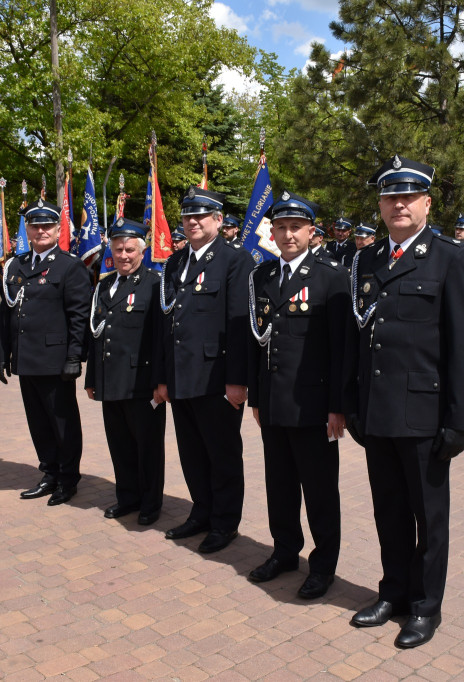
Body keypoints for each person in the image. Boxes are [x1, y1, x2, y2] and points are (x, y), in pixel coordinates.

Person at [345, 155, 464, 649]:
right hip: (377, 411)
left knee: (430, 517)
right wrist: (352, 402)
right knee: (389, 512)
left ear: (426, 202)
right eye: (389, 197)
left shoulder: (451, 258)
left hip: (425, 415)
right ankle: (393, 593)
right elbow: (355, 339)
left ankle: (426, 608)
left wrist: (459, 420)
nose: (398, 204)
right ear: (380, 205)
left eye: (408, 196)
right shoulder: (367, 259)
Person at [246, 190, 349, 600]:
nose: (288, 235)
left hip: (313, 406)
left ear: (311, 231)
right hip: (272, 401)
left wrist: (338, 406)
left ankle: (323, 565)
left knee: (320, 491)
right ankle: (285, 551)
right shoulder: (262, 277)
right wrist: (256, 395)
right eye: (281, 227)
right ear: (272, 232)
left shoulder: (331, 277)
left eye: (296, 227)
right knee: (280, 485)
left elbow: (341, 348)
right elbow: (256, 338)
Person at [155, 186, 254, 553]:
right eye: (187, 216)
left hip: (216, 377)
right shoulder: (176, 262)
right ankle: (202, 511)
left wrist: (237, 379)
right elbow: (168, 324)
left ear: (217, 220)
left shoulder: (235, 260)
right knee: (192, 452)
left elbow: (239, 322)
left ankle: (225, 523)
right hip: (181, 374)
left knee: (222, 452)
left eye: (201, 216)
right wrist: (163, 376)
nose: (193, 221)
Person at [0, 199, 91, 506]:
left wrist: (75, 356)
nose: (41, 231)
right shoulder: (16, 265)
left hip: (56, 361)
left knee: (62, 423)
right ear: (27, 229)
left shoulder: (70, 266)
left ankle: (68, 477)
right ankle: (49, 472)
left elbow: (79, 316)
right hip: (25, 358)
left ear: (58, 228)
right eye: (35, 226)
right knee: (38, 422)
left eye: (47, 225)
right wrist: (2, 354)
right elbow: (6, 314)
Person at [85, 218, 166, 524]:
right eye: (118, 249)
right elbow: (96, 336)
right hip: (110, 380)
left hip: (141, 382)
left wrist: (161, 381)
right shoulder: (105, 284)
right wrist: (92, 377)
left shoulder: (155, 285)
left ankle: (150, 503)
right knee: (119, 445)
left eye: (130, 249)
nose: (123, 255)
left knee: (147, 448)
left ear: (142, 252)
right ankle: (127, 497)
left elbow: (160, 340)